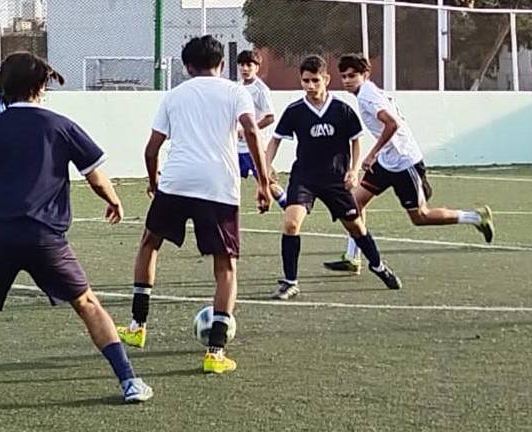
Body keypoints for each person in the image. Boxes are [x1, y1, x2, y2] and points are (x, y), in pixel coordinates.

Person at [0, 52, 152, 410]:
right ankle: (129, 381)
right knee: (87, 304)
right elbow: (96, 176)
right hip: (44, 236)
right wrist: (114, 199)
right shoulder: (60, 126)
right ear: (41, 86)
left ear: (3, 87)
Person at [116, 36, 271, 374]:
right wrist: (263, 181)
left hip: (178, 181)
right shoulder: (236, 92)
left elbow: (151, 149)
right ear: (222, 65)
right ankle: (215, 353)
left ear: (187, 67)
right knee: (225, 265)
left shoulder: (174, 96)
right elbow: (252, 131)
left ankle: (137, 327)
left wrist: (155, 183)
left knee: (149, 243)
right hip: (219, 185)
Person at [322, 54, 494, 273]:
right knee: (353, 205)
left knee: (420, 217)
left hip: (404, 162)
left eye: (352, 76)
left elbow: (392, 124)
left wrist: (372, 154)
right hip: (388, 161)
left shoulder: (368, 96)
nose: (347, 80)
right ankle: (353, 257)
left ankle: (476, 217)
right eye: (344, 76)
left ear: (365, 75)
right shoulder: (368, 92)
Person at [266, 55, 401, 301]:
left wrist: (353, 169)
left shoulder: (342, 110)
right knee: (291, 224)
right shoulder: (295, 111)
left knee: (356, 226)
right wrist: (266, 165)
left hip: (335, 180)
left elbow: (356, 140)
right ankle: (290, 282)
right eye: (305, 80)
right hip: (304, 178)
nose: (309, 85)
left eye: (315, 80)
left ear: (326, 79)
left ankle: (378, 265)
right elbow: (275, 140)